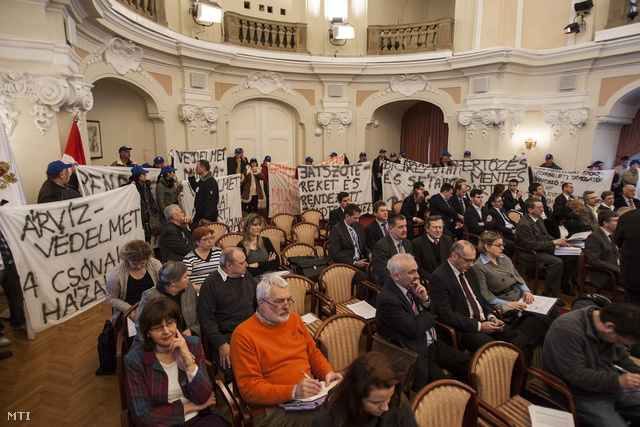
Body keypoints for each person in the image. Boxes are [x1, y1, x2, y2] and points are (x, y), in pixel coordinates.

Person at [230, 274, 343, 425]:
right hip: (272, 409)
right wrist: (293, 391)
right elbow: (250, 389)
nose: (287, 306)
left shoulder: (295, 319)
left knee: (353, 404)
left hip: (308, 397)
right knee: (329, 418)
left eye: (288, 300)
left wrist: (327, 373)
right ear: (261, 303)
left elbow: (313, 354)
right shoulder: (243, 335)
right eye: (279, 301)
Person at [125, 298, 226, 427]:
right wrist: (191, 407)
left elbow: (204, 395)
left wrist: (187, 359)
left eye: (170, 323)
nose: (166, 331)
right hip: (164, 423)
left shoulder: (192, 344)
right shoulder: (135, 360)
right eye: (157, 328)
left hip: (200, 418)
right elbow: (143, 416)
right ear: (148, 333)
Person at [376, 254, 470, 390]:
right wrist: (427, 315)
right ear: (396, 276)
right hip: (415, 351)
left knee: (470, 365)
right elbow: (415, 329)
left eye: (416, 270)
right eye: (411, 272)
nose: (417, 276)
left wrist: (425, 299)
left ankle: (463, 401)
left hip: (432, 342)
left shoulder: (410, 285)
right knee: (446, 388)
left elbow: (430, 312)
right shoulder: (388, 299)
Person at [543, 303, 640, 427]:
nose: (619, 346)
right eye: (619, 341)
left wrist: (637, 371)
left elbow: (622, 358)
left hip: (608, 386)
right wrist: (618, 381)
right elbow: (576, 375)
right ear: (609, 326)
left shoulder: (608, 324)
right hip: (580, 394)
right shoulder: (567, 328)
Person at [428, 241, 529, 353]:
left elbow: (480, 298)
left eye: (473, 260)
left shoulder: (469, 271)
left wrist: (491, 316)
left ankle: (514, 364)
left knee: (519, 337)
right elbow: (446, 315)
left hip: (485, 320)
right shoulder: (439, 278)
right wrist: (479, 326)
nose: (471, 264)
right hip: (466, 328)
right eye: (468, 260)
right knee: (494, 350)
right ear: (454, 256)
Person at [473, 231, 554, 348]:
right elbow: (485, 294)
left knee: (552, 310)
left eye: (503, 245)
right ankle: (533, 342)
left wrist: (526, 290)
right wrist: (508, 304)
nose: (503, 248)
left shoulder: (504, 258)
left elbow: (516, 276)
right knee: (536, 319)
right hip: (504, 301)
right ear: (487, 246)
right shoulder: (479, 266)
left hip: (519, 295)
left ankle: (542, 339)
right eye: (499, 245)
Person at [312, 351, 418, 427]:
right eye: (376, 402)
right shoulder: (329, 416)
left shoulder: (398, 401)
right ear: (355, 397)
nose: (385, 407)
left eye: (388, 397)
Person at [200, 247, 257, 384]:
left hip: (252, 329)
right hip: (227, 334)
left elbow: (258, 304)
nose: (247, 265)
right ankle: (237, 400)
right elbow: (206, 320)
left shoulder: (246, 275)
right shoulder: (210, 284)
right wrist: (221, 344)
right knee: (236, 370)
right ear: (229, 265)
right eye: (242, 263)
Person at [516, 199, 577, 306]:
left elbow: (546, 236)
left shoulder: (539, 219)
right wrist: (554, 243)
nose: (542, 209)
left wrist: (560, 242)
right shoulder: (524, 224)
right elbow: (532, 245)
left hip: (543, 248)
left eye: (542, 207)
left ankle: (563, 283)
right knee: (556, 262)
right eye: (539, 208)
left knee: (572, 256)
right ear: (530, 210)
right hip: (530, 253)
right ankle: (547, 291)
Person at [135, 261, 201, 345]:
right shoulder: (150, 296)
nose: (188, 278)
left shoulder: (189, 289)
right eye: (185, 277)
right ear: (173, 282)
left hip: (188, 339)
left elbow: (200, 314)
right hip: (159, 343)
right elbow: (140, 325)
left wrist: (192, 330)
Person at [106, 239, 161, 328]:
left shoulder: (155, 264)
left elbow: (162, 286)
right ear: (127, 260)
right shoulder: (117, 273)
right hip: (128, 309)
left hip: (152, 305)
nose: (139, 266)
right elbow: (111, 298)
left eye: (142, 263)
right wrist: (131, 309)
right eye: (135, 264)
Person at [585, 210, 623, 295]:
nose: (619, 223)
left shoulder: (612, 234)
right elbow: (594, 261)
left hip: (619, 268)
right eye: (616, 221)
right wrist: (617, 269)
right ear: (606, 223)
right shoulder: (594, 237)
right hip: (606, 273)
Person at [329, 204, 370, 282]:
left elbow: (364, 246)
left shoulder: (359, 226)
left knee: (377, 274)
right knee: (364, 279)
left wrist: (369, 254)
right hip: (346, 263)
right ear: (347, 216)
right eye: (355, 218)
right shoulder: (336, 230)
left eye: (358, 218)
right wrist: (355, 263)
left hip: (361, 261)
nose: (357, 220)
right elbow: (336, 253)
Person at [372, 213, 413, 286]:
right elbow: (383, 275)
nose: (405, 230)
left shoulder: (408, 243)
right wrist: (403, 283)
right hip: (391, 286)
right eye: (400, 227)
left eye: (405, 226)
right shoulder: (381, 247)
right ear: (390, 229)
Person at [237, 214, 279, 278]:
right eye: (255, 225)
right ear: (247, 227)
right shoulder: (241, 246)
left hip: (271, 276)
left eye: (259, 225)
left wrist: (257, 264)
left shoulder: (266, 241)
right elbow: (246, 270)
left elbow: (276, 263)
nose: (258, 227)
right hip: (254, 279)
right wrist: (268, 264)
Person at [412, 215, 453, 280]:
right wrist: (433, 277)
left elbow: (452, 261)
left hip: (447, 277)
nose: (438, 230)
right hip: (430, 278)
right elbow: (418, 267)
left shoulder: (448, 240)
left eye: (440, 227)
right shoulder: (417, 243)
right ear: (427, 228)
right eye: (435, 227)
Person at [183, 227, 221, 294]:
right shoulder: (189, 258)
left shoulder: (218, 252)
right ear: (197, 242)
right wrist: (202, 291)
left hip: (219, 289)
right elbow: (185, 281)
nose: (210, 241)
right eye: (205, 239)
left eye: (211, 238)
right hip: (199, 291)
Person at [614, 207, 640, 303]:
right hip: (633, 273)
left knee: (631, 310)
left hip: (632, 273)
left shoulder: (628, 217)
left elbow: (618, 241)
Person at [128, 165, 159, 242]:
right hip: (140, 216)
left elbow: (150, 198)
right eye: (143, 174)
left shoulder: (146, 185)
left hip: (148, 214)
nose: (145, 175)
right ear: (138, 176)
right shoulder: (132, 187)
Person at [188, 159, 219, 228]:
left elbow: (211, 201)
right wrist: (191, 178)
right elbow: (197, 190)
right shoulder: (202, 181)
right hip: (200, 213)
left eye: (197, 167)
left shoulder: (210, 182)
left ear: (203, 168)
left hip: (207, 216)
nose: (196, 169)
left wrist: (206, 217)